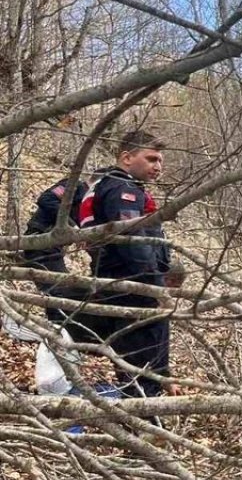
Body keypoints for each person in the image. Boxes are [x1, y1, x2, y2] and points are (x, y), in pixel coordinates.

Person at [76, 130, 173, 399]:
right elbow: (132, 242)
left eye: (161, 161)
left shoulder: (105, 184)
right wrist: (155, 287)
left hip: (117, 282)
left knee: (134, 362)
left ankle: (141, 417)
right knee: (142, 362)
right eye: (151, 158)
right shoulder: (123, 190)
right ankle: (142, 422)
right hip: (133, 287)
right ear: (127, 158)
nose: (158, 166)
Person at [21, 168, 110, 327]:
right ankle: (55, 331)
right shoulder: (73, 186)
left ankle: (58, 329)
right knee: (58, 290)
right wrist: (72, 226)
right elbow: (46, 199)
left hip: (54, 250)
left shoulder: (88, 205)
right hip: (40, 241)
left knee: (67, 290)